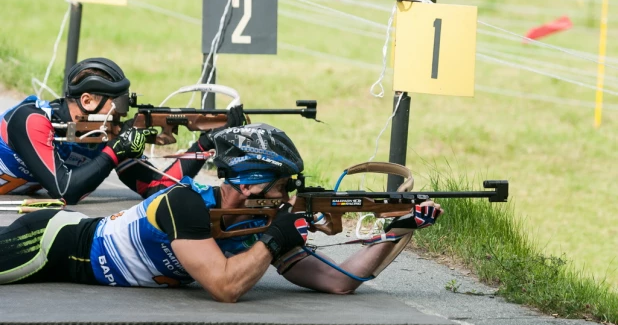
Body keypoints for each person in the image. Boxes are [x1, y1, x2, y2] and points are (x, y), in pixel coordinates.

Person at [0, 123, 443, 303]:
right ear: (249, 185)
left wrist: (397, 232)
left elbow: (339, 282)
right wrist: (277, 237)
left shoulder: (255, 225)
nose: (288, 195)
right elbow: (226, 286)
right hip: (49, 241)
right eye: (282, 187)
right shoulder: (186, 204)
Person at [0, 57, 244, 204]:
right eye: (118, 105)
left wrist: (204, 145)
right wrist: (114, 151)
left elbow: (158, 187)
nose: (123, 114)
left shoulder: (103, 133)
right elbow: (65, 191)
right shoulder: (31, 120)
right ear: (87, 102)